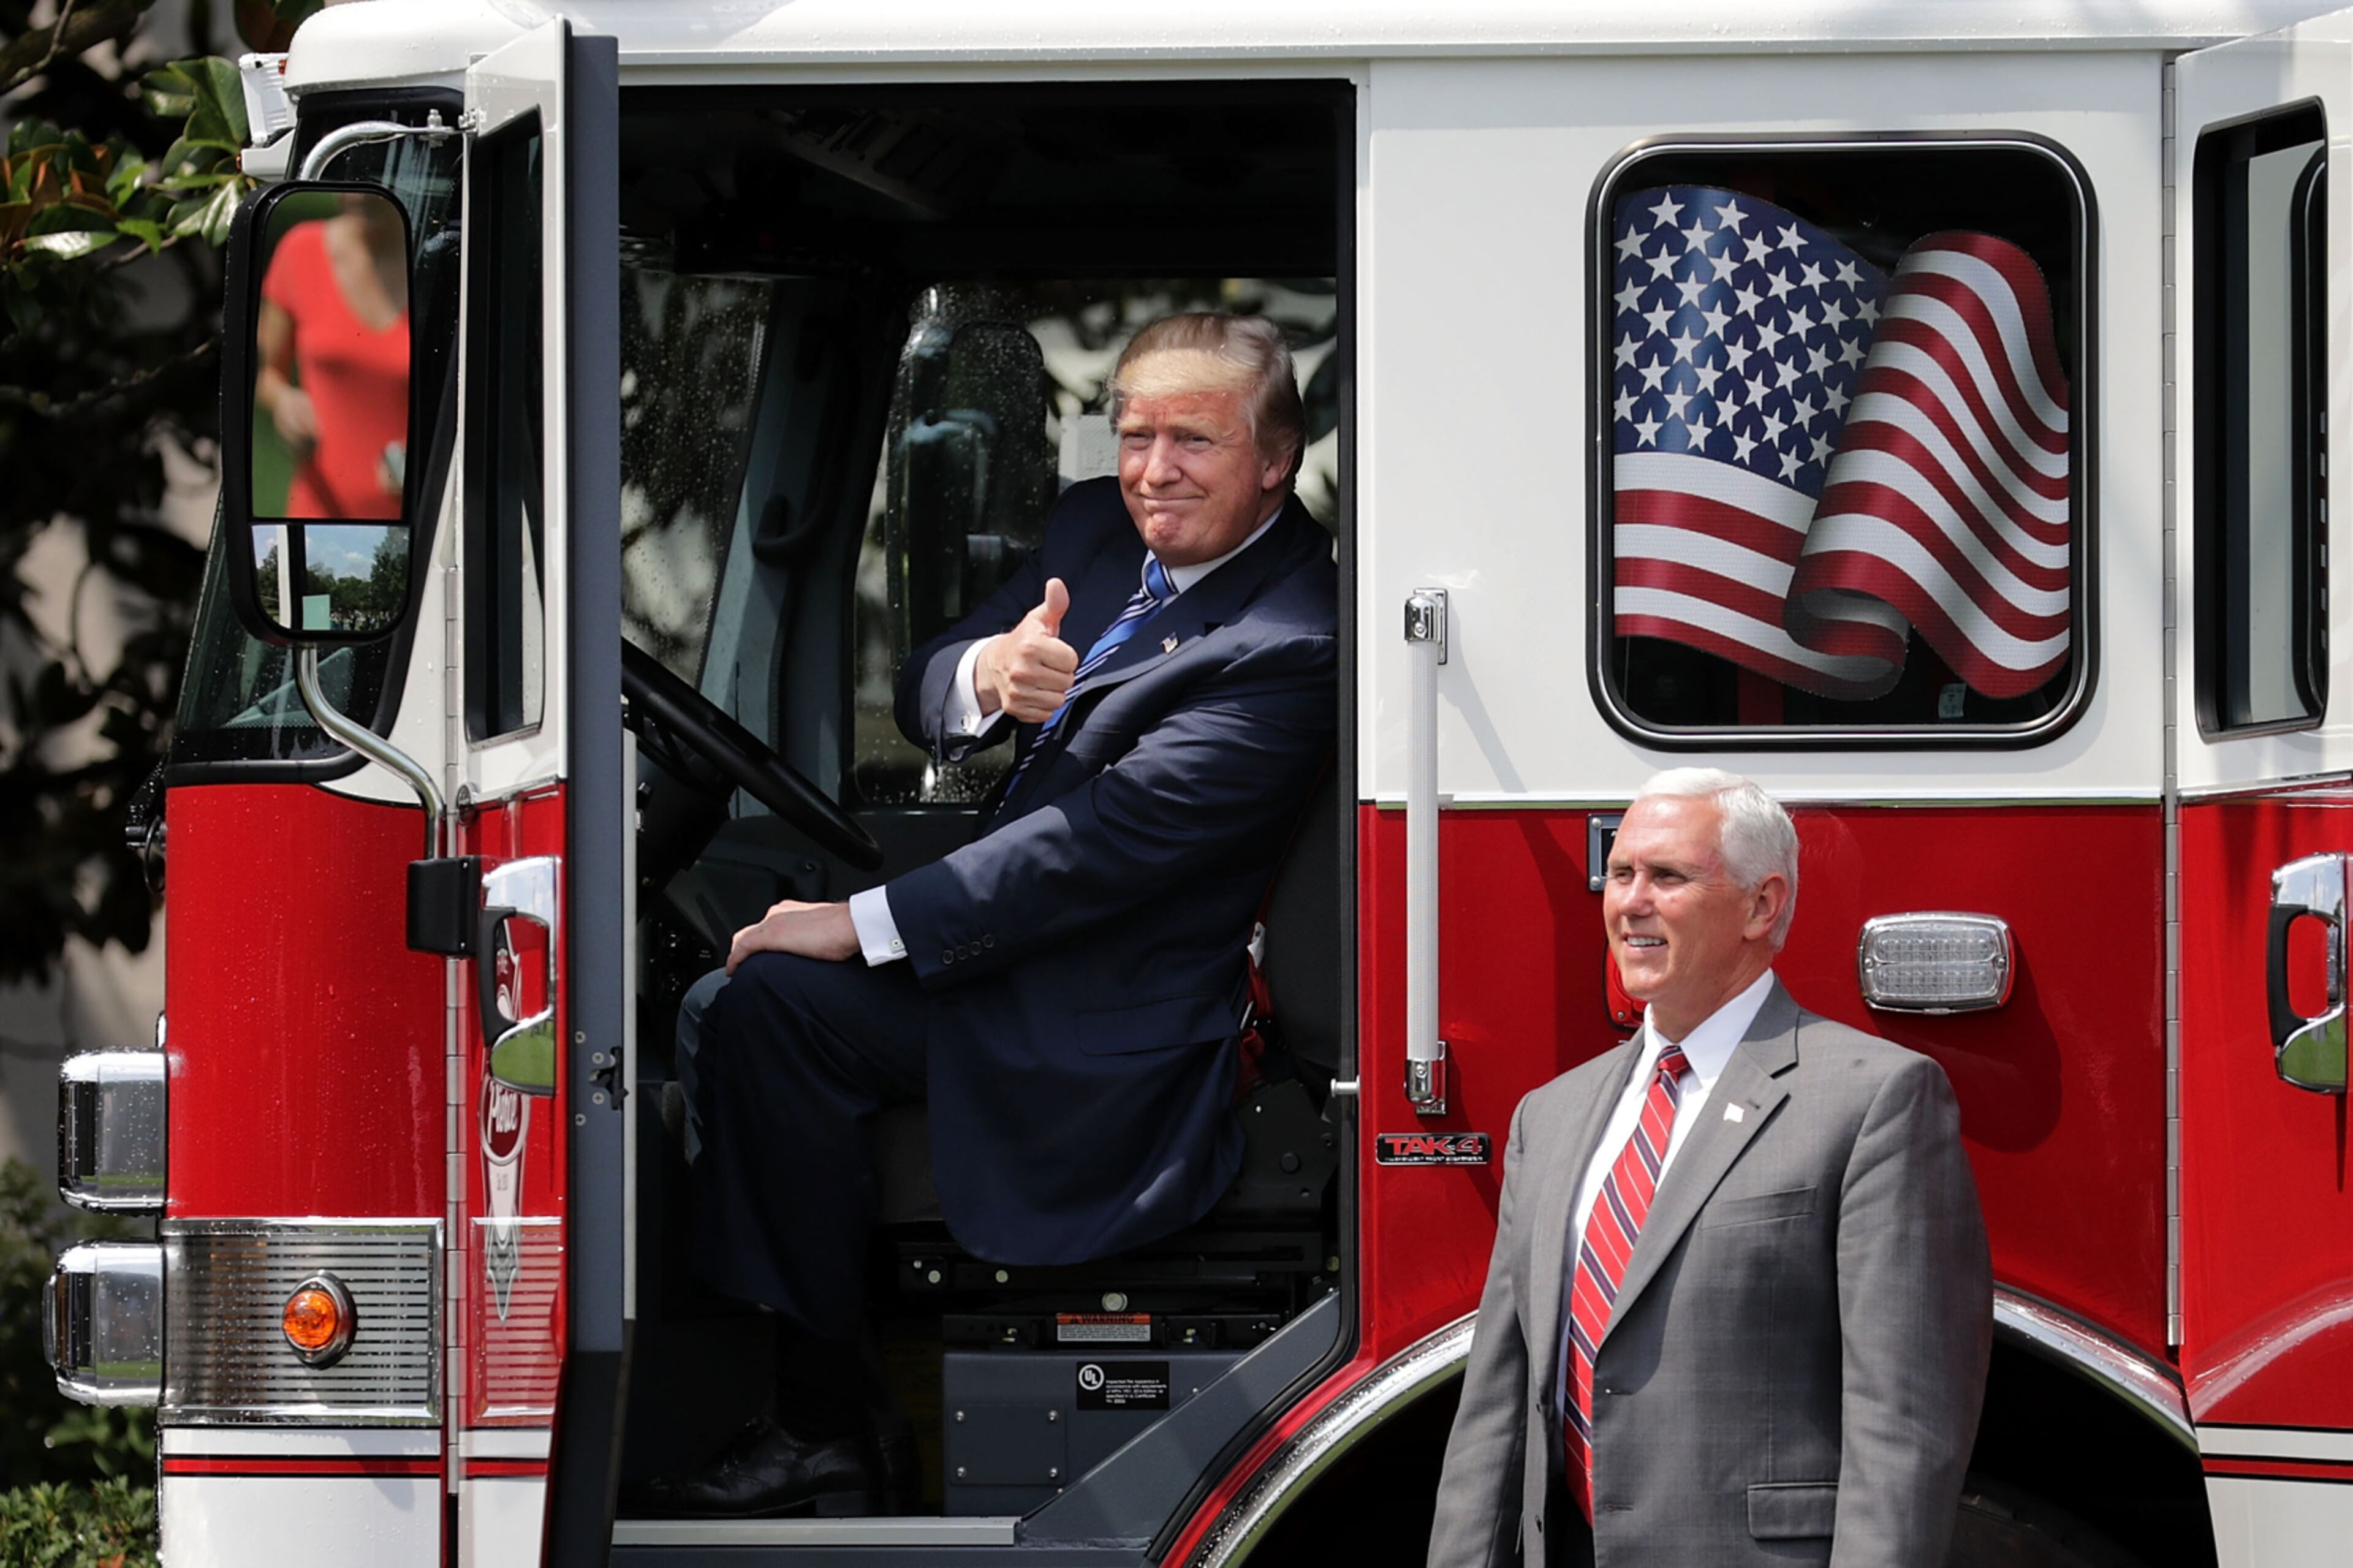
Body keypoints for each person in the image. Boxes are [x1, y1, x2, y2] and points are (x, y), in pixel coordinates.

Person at [645, 312, 1338, 1518]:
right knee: (747, 992)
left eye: (1195, 439)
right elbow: (928, 680)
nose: (1154, 468)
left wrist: (856, 922)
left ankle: (823, 1420)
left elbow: (1095, 852)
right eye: (1135, 434)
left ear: (1275, 457)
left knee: (770, 1011)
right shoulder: (1093, 527)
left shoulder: (1292, 638)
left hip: (1106, 1003)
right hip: (1018, 944)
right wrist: (984, 675)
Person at [1426, 768, 1990, 1567]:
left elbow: (1904, 1422)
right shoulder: (1546, 1116)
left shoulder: (1878, 1099)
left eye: (1668, 876)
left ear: (1763, 904)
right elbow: (1496, 1409)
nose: (1631, 901)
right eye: (1620, 874)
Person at [254, 192, 410, 520]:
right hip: (320, 524)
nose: (356, 194)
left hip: (425, 527)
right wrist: (283, 401)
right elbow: (262, 373)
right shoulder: (301, 249)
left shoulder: (439, 261)